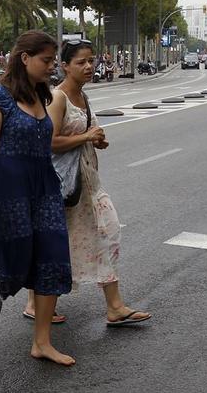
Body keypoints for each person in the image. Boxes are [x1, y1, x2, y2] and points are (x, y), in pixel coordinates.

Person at [29, 39, 151, 327]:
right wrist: (85, 137)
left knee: (106, 234)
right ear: (64, 66)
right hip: (66, 187)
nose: (88, 66)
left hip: (88, 183)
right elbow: (50, 142)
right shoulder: (58, 98)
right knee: (57, 246)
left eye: (91, 60)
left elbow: (85, 135)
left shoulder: (84, 97)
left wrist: (97, 140)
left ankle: (114, 306)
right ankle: (36, 303)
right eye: (80, 62)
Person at [0, 30, 74, 366]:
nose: (52, 66)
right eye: (46, 60)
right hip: (9, 188)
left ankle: (41, 342)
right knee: (9, 259)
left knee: (53, 256)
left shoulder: (42, 95)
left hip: (44, 187)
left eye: (53, 60)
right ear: (25, 58)